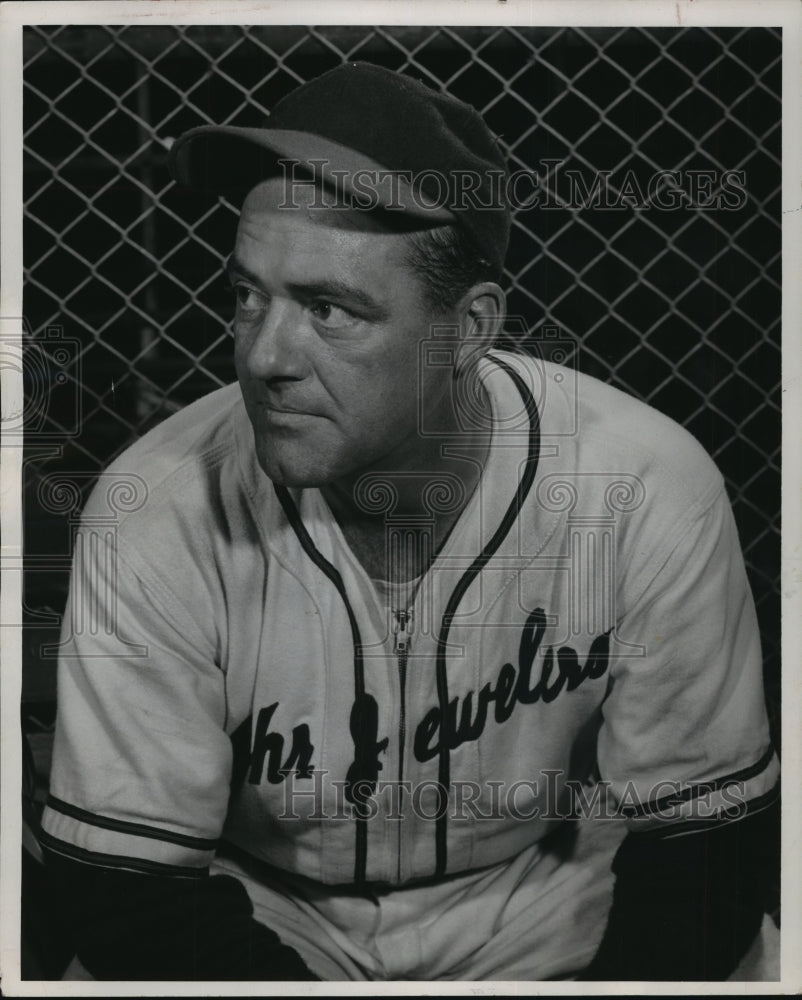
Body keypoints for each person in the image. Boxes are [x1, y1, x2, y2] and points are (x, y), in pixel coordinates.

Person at [40, 61, 779, 981]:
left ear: (466, 328)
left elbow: (704, 848)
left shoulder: (639, 486)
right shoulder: (153, 507)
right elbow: (127, 890)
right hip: (263, 904)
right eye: (248, 295)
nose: (264, 355)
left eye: (329, 309)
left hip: (542, 897)